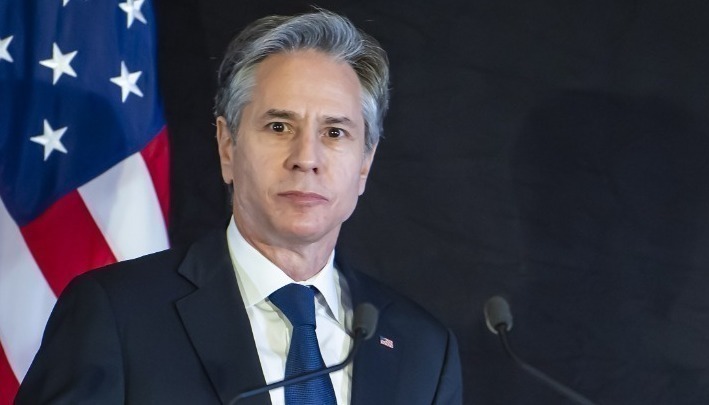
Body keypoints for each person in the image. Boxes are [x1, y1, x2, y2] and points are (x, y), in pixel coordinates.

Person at [16, 9, 462, 404]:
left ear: (364, 163)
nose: (306, 158)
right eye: (279, 126)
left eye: (334, 133)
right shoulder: (117, 315)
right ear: (228, 146)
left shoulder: (422, 348)